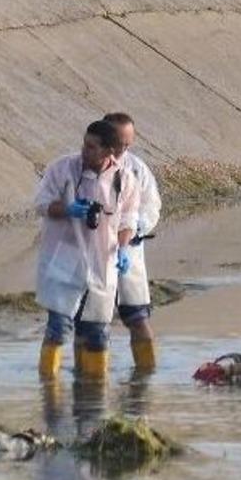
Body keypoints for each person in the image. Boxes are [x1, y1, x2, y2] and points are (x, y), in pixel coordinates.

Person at [34, 120, 138, 379]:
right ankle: (49, 392)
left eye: (91, 147)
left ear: (109, 152)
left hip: (103, 264)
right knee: (58, 328)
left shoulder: (124, 179)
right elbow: (41, 204)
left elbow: (128, 221)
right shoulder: (63, 169)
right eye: (84, 144)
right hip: (64, 261)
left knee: (97, 334)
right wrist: (66, 209)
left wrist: (123, 248)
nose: (84, 150)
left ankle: (92, 401)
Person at [102, 112, 162, 372]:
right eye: (119, 143)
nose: (123, 149)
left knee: (137, 317)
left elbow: (152, 207)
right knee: (92, 321)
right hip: (95, 254)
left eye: (128, 144)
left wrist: (135, 228)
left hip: (130, 255)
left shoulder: (137, 168)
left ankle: (146, 375)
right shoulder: (85, 165)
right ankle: (91, 381)